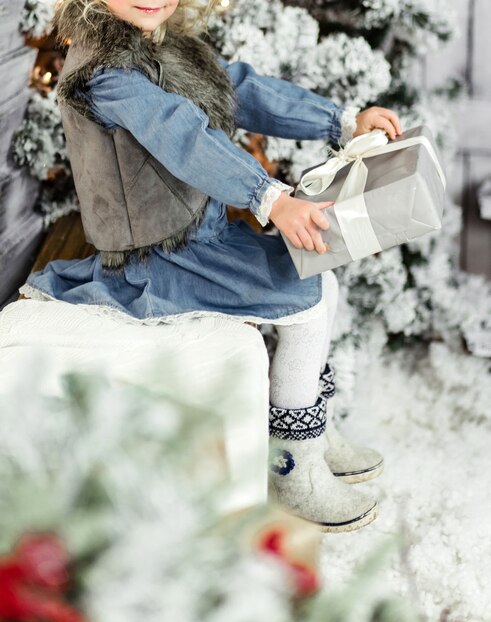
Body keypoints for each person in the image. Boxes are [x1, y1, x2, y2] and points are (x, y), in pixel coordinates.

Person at [21, 0, 403, 532]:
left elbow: (239, 88)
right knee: (309, 302)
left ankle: (304, 427)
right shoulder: (103, 72)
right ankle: (295, 467)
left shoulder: (163, 44)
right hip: (159, 256)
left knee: (321, 278)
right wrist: (268, 197)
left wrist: (338, 120)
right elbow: (182, 134)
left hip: (205, 233)